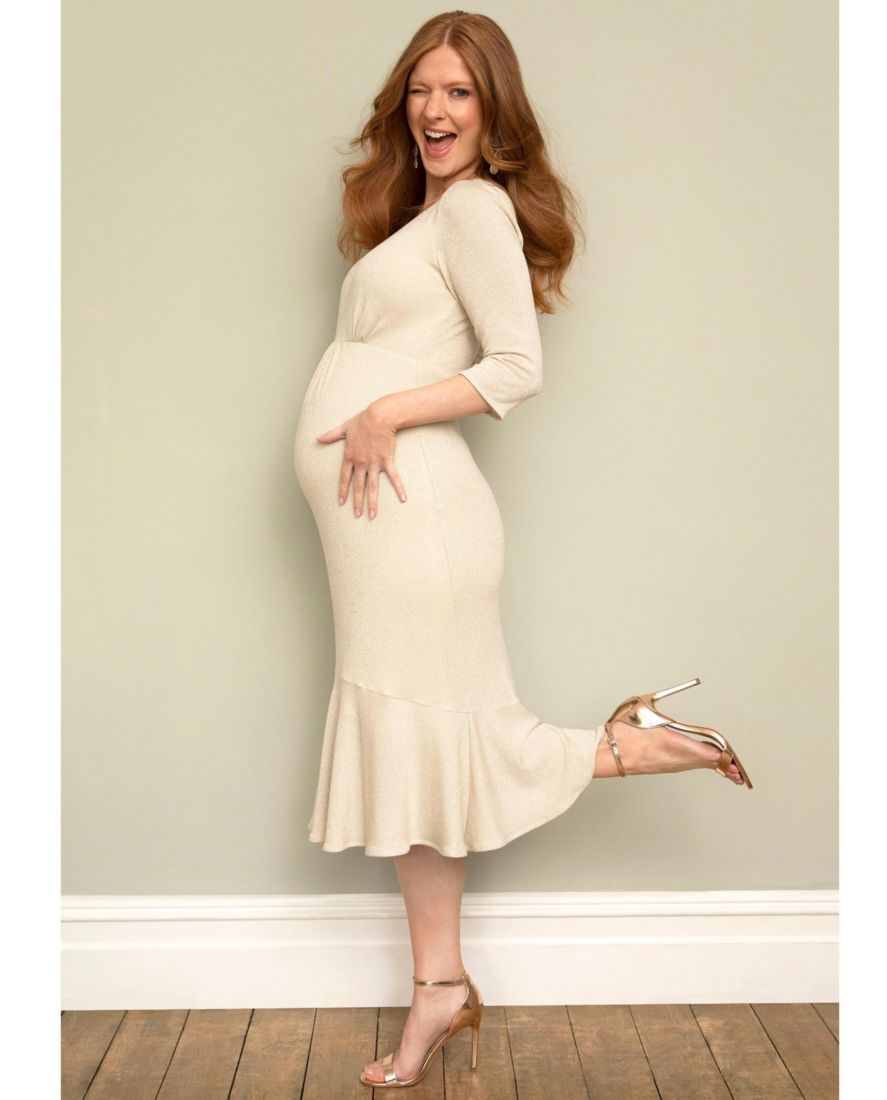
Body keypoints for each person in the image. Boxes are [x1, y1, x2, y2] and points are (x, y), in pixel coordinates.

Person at [292, 10, 753, 1090]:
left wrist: (385, 410)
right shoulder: (429, 216)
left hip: (421, 520)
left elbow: (516, 365)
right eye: (422, 89)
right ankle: (440, 985)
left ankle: (632, 744)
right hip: (385, 524)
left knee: (433, 741)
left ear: (491, 109)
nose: (435, 109)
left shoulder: (476, 209)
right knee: (421, 754)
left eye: (458, 91)